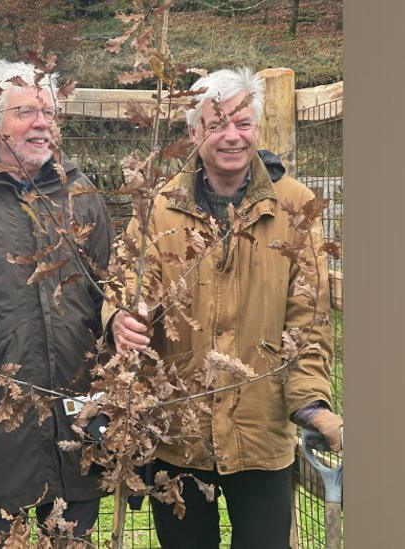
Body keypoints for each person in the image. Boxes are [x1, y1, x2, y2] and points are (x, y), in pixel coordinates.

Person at [103, 67, 343, 549]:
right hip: (179, 435)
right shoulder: (159, 206)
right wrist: (121, 318)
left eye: (243, 122)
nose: (231, 136)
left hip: (261, 438)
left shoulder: (295, 207)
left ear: (258, 127)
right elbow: (127, 280)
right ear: (194, 132)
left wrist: (312, 405)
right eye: (217, 124)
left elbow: (309, 322)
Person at [0, 59, 113, 540]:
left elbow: (109, 295)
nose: (41, 123)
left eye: (49, 113)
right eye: (25, 111)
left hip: (75, 425)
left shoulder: (82, 195)